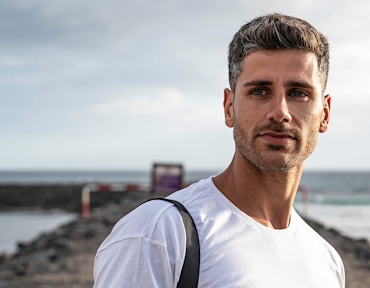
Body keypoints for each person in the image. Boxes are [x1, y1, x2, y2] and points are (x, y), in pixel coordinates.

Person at [93, 13, 344, 288]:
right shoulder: (158, 234)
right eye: (259, 91)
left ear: (325, 114)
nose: (280, 112)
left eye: (298, 93)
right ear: (229, 107)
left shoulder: (327, 262)